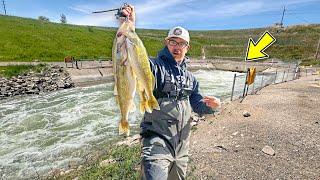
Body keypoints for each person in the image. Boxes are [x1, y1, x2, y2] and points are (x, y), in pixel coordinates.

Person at [120, 5, 221, 180]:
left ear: (187, 47)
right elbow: (135, 60)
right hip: (157, 142)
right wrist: (128, 29)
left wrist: (213, 106)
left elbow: (197, 105)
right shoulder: (156, 66)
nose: (177, 46)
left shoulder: (191, 79)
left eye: (182, 43)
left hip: (182, 146)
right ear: (167, 43)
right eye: (173, 41)